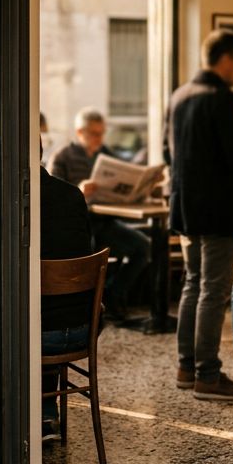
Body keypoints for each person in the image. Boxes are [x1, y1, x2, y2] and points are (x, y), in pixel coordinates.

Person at [165, 30, 233, 400]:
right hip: (219, 213)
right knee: (214, 291)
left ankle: (186, 366)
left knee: (193, 285)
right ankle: (208, 375)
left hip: (185, 209)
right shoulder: (222, 99)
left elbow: (170, 154)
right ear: (225, 59)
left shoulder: (180, 95)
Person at [51, 109, 152, 322]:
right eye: (95, 134)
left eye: (101, 133)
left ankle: (114, 292)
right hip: (78, 226)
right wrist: (79, 191)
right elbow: (54, 198)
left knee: (143, 247)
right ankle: (92, 304)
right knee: (88, 253)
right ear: (80, 132)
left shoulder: (105, 153)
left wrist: (143, 185)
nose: (99, 139)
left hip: (105, 222)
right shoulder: (62, 157)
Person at [39, 164, 97, 441]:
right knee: (50, 308)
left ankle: (34, 414)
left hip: (39, 337)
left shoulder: (12, 198)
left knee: (21, 317)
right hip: (83, 329)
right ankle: (47, 410)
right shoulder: (73, 195)